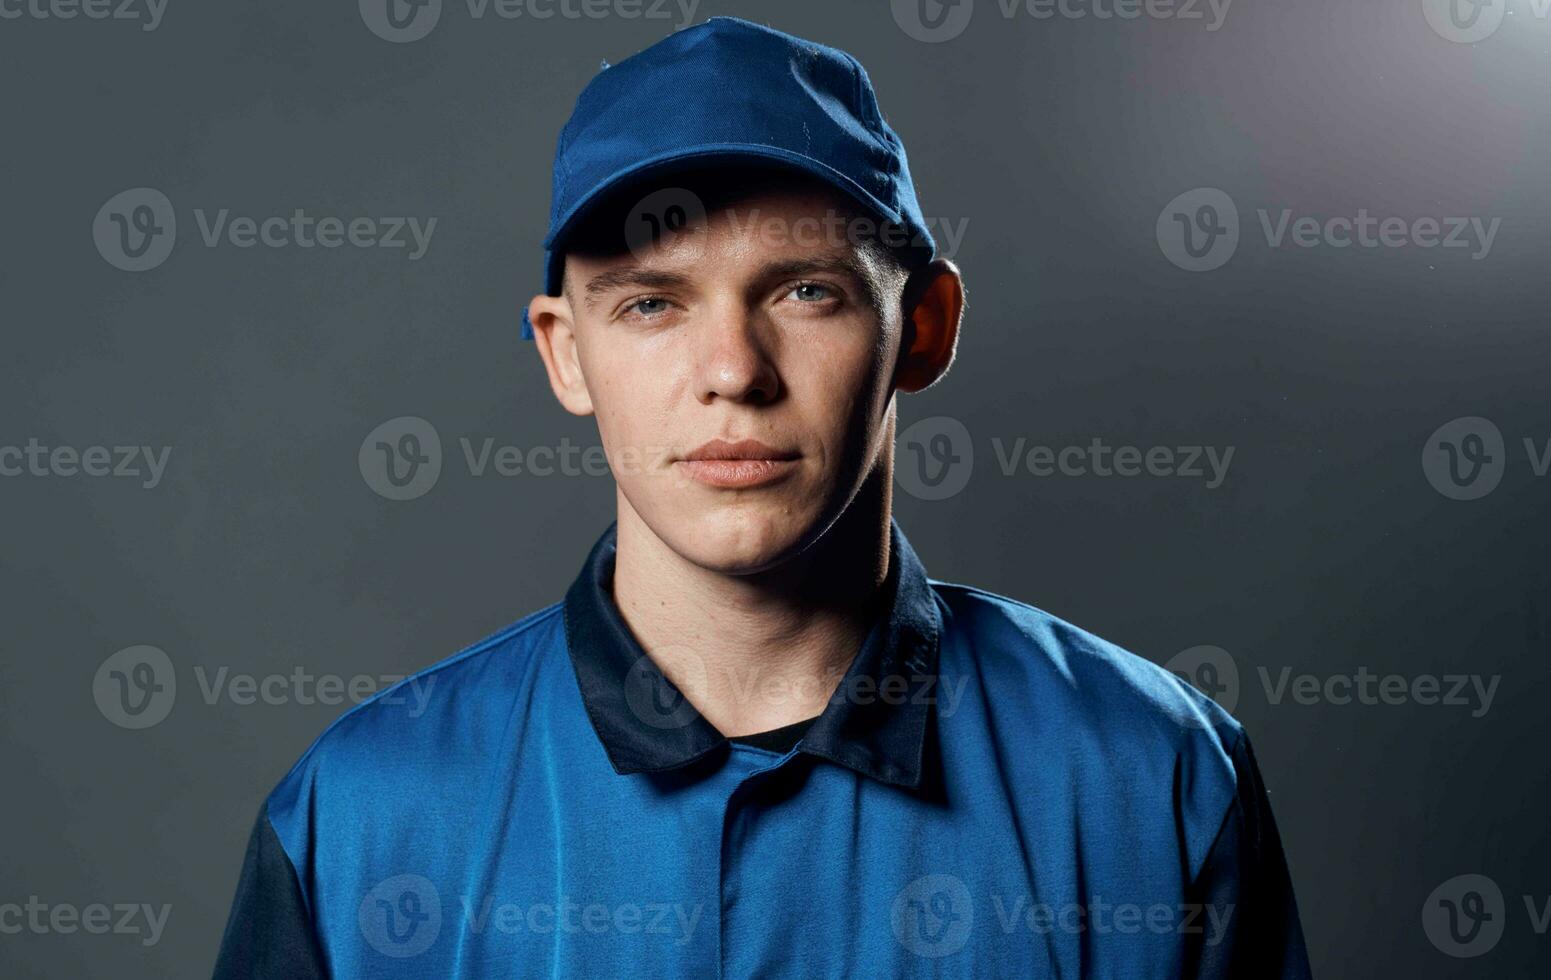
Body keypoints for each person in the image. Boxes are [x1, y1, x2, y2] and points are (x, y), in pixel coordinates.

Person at [213, 16, 1311, 978]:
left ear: (922, 328)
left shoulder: (1152, 780)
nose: (733, 368)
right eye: (652, 304)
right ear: (566, 355)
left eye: (806, 290)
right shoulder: (358, 818)